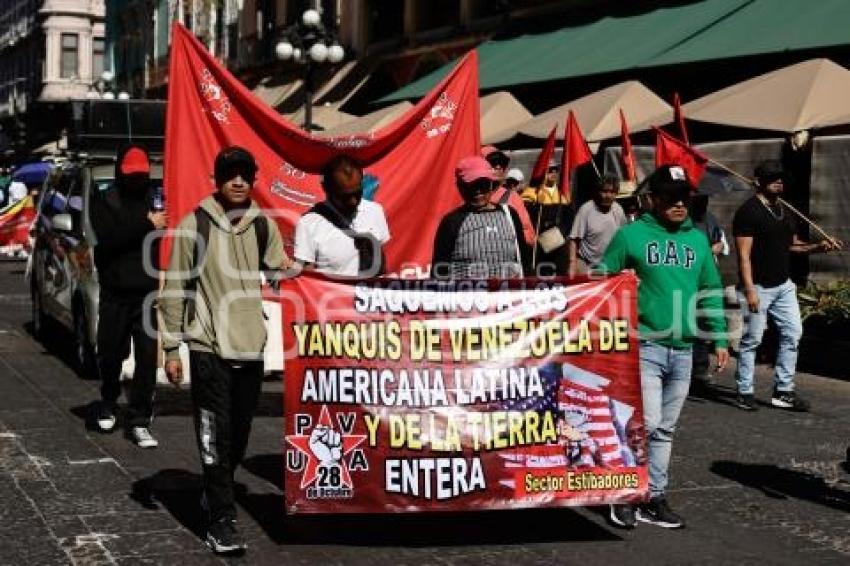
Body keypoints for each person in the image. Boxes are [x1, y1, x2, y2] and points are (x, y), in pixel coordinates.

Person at [161, 146, 290, 555]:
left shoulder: (262, 227)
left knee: (240, 435)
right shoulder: (192, 226)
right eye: (230, 174)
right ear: (217, 180)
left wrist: (321, 278)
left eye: (244, 175)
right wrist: (170, 348)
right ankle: (221, 520)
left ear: (252, 180)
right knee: (214, 435)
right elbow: (174, 289)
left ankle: (214, 491)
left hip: (250, 346)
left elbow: (281, 272)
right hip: (208, 346)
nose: (238, 181)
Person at [598, 165, 729, 530]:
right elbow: (597, 279)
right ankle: (624, 493)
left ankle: (654, 496)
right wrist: (618, 281)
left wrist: (720, 338)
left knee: (665, 429)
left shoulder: (698, 240)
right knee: (648, 422)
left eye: (683, 197)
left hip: (684, 348)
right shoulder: (630, 236)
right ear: (653, 199)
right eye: (669, 197)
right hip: (644, 347)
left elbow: (711, 291)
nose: (678, 204)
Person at [732, 160, 842, 412]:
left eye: (780, 177)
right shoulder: (748, 212)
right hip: (758, 286)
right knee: (752, 340)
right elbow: (744, 256)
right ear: (758, 181)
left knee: (793, 333)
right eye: (772, 178)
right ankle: (744, 390)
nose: (778, 181)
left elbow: (791, 246)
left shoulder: (785, 210)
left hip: (783, 285)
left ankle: (783, 390)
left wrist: (817, 247)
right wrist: (749, 290)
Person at [90, 144, 164, 447]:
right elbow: (108, 240)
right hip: (115, 293)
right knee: (110, 354)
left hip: (146, 294)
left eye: (141, 175)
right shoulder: (104, 200)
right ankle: (108, 401)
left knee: (147, 360)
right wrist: (147, 225)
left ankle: (139, 418)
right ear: (121, 172)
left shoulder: (155, 198)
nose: (137, 180)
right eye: (131, 175)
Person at [432, 155, 530, 279]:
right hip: (468, 296)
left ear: (491, 184)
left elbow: (524, 262)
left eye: (482, 184)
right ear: (460, 187)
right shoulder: (451, 222)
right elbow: (439, 273)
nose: (478, 190)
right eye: (471, 185)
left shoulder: (510, 215)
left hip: (507, 296)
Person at [294, 154, 390, 277]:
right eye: (345, 196)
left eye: (357, 193)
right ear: (327, 190)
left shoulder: (375, 211)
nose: (353, 201)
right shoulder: (309, 223)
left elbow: (382, 265)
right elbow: (307, 279)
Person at [689, 194, 729, 391]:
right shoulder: (685, 221)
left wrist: (719, 247)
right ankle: (693, 369)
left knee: (703, 324)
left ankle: (700, 369)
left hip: (708, 277)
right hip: (689, 280)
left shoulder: (710, 219)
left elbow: (723, 243)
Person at [521, 160, 573, 275]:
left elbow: (569, 219)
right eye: (550, 170)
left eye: (556, 170)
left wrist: (562, 233)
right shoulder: (531, 192)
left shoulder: (563, 193)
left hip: (558, 244)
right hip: (539, 246)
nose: (553, 173)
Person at [568, 174, 627, 277]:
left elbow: (625, 238)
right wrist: (572, 263)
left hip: (609, 264)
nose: (608, 196)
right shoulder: (586, 210)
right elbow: (574, 239)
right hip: (587, 263)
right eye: (604, 191)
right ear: (598, 192)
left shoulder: (618, 210)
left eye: (612, 192)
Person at [482, 147, 535, 247]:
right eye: (493, 163)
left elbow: (530, 236)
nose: (498, 167)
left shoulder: (512, 197)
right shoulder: (474, 197)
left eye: (502, 164)